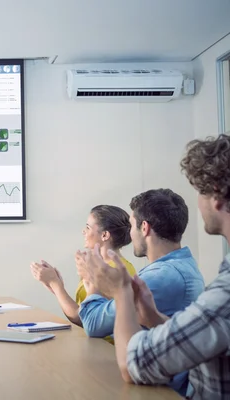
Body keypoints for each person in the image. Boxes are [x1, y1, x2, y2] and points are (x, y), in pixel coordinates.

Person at [80, 134, 230, 399]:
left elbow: (132, 362)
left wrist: (119, 290)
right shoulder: (193, 271)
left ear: (215, 197)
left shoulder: (173, 277)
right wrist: (152, 318)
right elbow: (201, 337)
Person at [78, 189, 204, 396]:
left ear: (144, 227)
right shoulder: (180, 264)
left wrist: (92, 285)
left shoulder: (161, 277)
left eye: (132, 224)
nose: (129, 234)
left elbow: (93, 325)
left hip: (157, 390)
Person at [31, 205, 136, 329]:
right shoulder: (96, 266)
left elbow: (81, 318)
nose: (83, 231)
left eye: (88, 227)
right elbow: (81, 312)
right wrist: (55, 286)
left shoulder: (114, 271)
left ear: (105, 235)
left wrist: (55, 284)